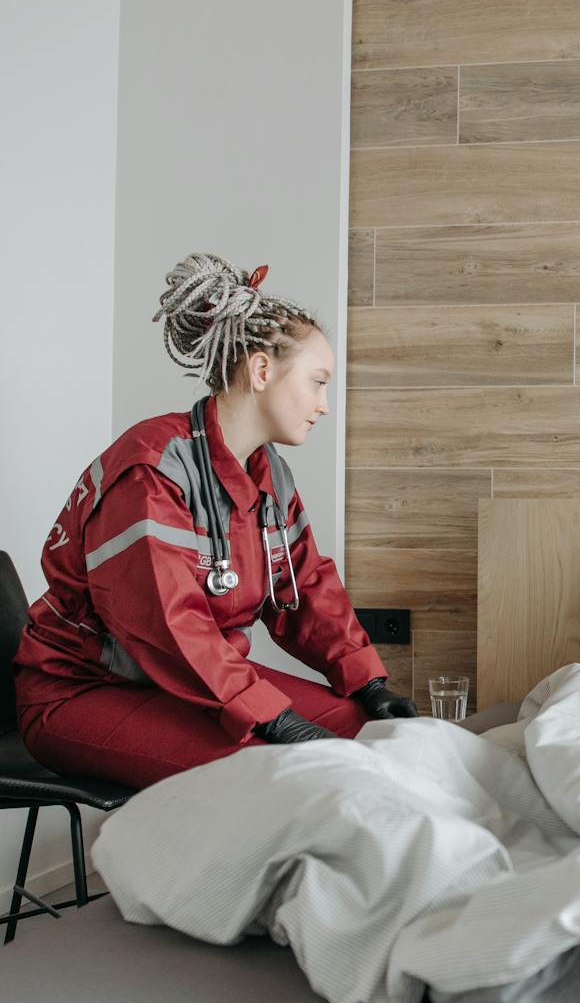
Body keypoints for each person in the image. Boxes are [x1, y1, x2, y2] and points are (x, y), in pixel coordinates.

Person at [12, 253, 415, 789]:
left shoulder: (270, 475)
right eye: (317, 382)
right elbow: (168, 625)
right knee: (294, 771)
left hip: (196, 681)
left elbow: (307, 586)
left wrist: (367, 684)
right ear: (262, 370)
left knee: (371, 738)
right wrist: (271, 717)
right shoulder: (152, 467)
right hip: (84, 692)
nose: (324, 405)